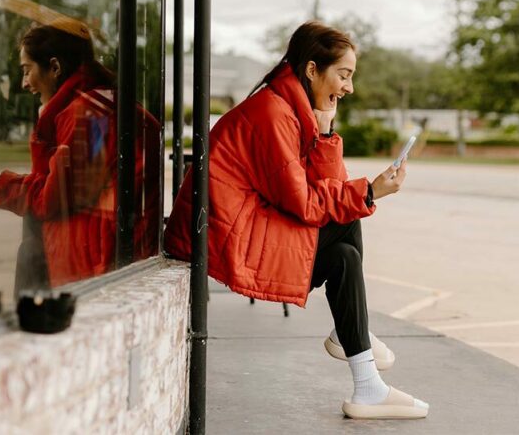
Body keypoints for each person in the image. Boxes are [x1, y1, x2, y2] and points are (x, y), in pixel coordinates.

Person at [164, 21, 429, 419]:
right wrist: (370, 191)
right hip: (225, 236)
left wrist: (324, 133)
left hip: (243, 224)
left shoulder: (289, 108)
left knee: (344, 254)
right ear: (311, 69)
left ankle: (365, 378)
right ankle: (360, 366)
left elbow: (326, 190)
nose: (349, 87)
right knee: (349, 215)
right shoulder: (272, 113)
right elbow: (305, 202)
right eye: (343, 74)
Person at [0, 18, 161, 289]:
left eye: (27, 70)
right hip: (119, 255)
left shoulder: (86, 115)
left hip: (94, 263)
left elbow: (54, 198)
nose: (24, 83)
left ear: (55, 67)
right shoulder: (112, 104)